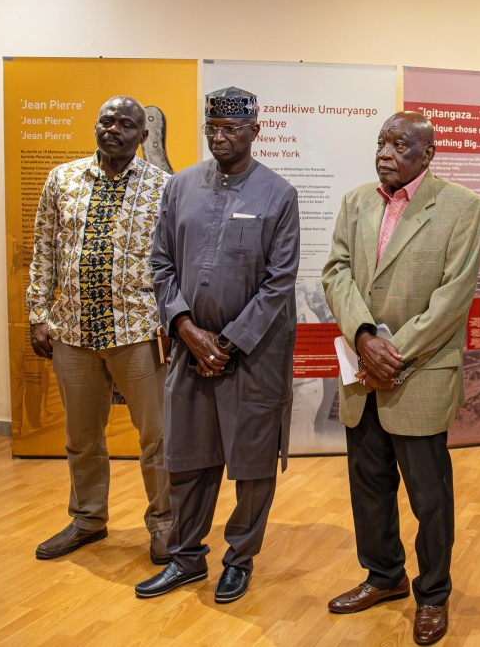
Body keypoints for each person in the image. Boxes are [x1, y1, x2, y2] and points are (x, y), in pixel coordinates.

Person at [322, 111, 480, 645]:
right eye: (381, 142)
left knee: (428, 496)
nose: (385, 152)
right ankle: (383, 576)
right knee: (368, 487)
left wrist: (393, 352)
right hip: (363, 369)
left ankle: (433, 594)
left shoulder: (461, 206)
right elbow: (336, 270)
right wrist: (365, 336)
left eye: (400, 143)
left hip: (418, 372)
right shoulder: (355, 202)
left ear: (428, 152)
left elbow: (453, 296)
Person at [135, 87, 300, 604]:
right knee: (187, 459)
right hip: (189, 350)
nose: (221, 136)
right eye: (214, 126)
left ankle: (239, 559)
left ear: (256, 130)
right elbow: (160, 263)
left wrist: (225, 343)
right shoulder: (180, 187)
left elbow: (280, 280)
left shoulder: (278, 194)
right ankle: (186, 559)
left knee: (251, 467)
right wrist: (186, 328)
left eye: (232, 128)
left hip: (252, 357)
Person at [28, 96, 173, 564]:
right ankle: (88, 518)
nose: (114, 129)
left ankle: (165, 524)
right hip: (72, 330)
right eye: (106, 121)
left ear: (144, 136)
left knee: (157, 437)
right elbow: (45, 248)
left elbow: (175, 261)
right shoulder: (62, 179)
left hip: (137, 331)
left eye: (126, 124)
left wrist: (174, 319)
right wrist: (38, 314)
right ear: (96, 126)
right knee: (81, 436)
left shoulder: (164, 187)